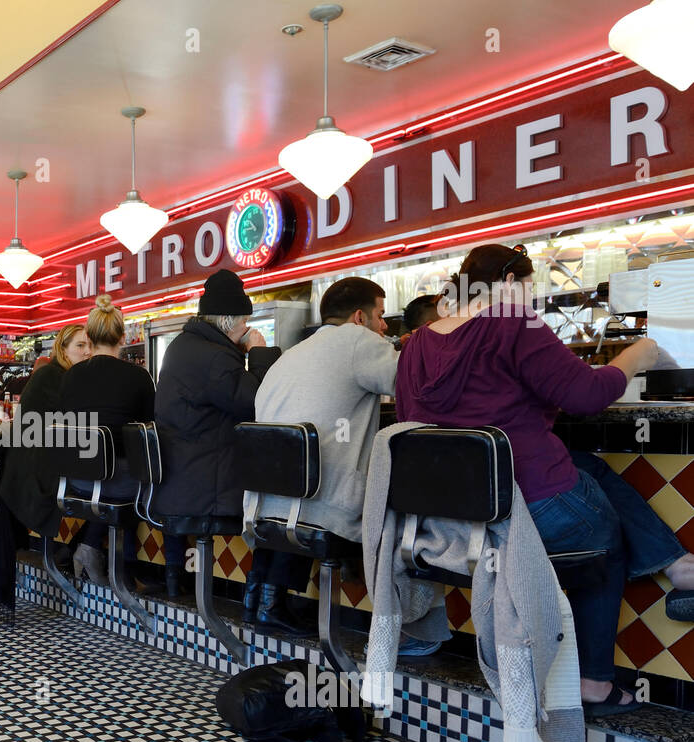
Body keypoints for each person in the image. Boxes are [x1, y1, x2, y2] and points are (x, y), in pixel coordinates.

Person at [396, 242, 694, 716]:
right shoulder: (515, 323)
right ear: (512, 284)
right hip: (528, 507)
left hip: (455, 520)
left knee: (585, 466)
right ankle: (595, 683)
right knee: (602, 541)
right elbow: (585, 395)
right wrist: (639, 354)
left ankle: (678, 565)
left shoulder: (416, 345)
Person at [246, 277, 398, 635]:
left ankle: (262, 599)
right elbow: (409, 380)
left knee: (296, 490)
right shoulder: (359, 341)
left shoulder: (292, 354)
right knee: (399, 497)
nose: (385, 325)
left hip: (263, 507)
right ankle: (404, 627)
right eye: (381, 315)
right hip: (321, 508)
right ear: (360, 317)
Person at [154, 268, 280, 597]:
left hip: (180, 480)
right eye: (243, 322)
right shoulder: (216, 358)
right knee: (281, 504)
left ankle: (179, 580)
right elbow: (258, 401)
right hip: (208, 487)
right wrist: (257, 352)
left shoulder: (183, 346)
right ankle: (262, 599)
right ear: (226, 320)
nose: (246, 329)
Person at [58, 296, 156, 586]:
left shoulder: (71, 376)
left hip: (75, 481)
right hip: (119, 483)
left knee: (114, 473)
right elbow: (149, 433)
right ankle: (129, 566)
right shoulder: (139, 377)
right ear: (123, 338)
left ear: (88, 337)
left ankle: (91, 550)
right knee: (143, 476)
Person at [0, 325, 91, 545]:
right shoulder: (55, 377)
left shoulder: (60, 375)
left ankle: (81, 549)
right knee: (111, 486)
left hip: (27, 471)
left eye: (90, 345)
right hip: (36, 474)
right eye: (80, 345)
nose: (87, 351)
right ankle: (83, 549)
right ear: (63, 349)